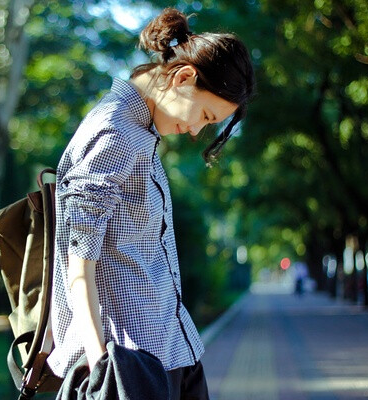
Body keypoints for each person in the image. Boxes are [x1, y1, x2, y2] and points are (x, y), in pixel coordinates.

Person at [47, 7, 255, 399]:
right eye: (205, 115)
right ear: (183, 77)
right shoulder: (115, 132)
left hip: (169, 349)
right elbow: (78, 266)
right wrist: (101, 370)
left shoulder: (140, 134)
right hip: (131, 363)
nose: (196, 130)